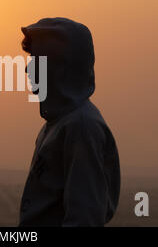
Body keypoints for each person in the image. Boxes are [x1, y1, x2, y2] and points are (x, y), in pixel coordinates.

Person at [18, 17, 120, 226]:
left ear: (58, 67)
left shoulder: (81, 127)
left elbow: (84, 218)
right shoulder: (57, 124)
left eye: (36, 61)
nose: (27, 70)